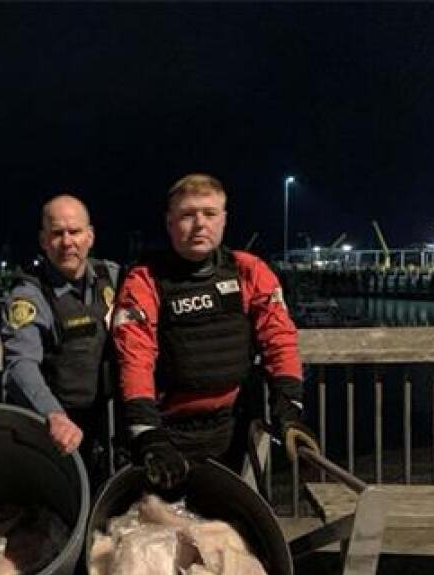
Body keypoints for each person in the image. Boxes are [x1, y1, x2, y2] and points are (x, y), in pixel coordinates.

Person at [112, 173, 310, 490]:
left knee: (233, 530)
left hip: (233, 429)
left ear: (224, 219)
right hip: (167, 430)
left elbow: (280, 340)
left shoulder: (249, 270)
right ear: (170, 222)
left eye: (209, 213)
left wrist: (289, 408)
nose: (200, 224)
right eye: (187, 215)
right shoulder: (144, 280)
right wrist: (147, 432)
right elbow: (135, 357)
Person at [1, 194, 121, 488]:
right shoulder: (29, 295)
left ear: (90, 236)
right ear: (43, 241)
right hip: (56, 424)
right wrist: (53, 415)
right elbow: (20, 364)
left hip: (109, 421)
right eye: (57, 233)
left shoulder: (113, 276)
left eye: (75, 232)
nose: (67, 242)